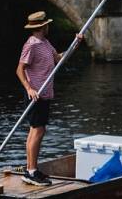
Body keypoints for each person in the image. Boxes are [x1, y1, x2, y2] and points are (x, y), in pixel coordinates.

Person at [15, 11, 81, 186]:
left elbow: (59, 59)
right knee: (38, 131)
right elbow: (20, 69)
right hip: (36, 94)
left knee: (35, 130)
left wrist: (75, 45)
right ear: (42, 26)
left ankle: (31, 169)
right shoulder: (31, 45)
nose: (48, 26)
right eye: (47, 24)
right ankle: (31, 171)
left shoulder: (45, 43)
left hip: (45, 93)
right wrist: (29, 88)